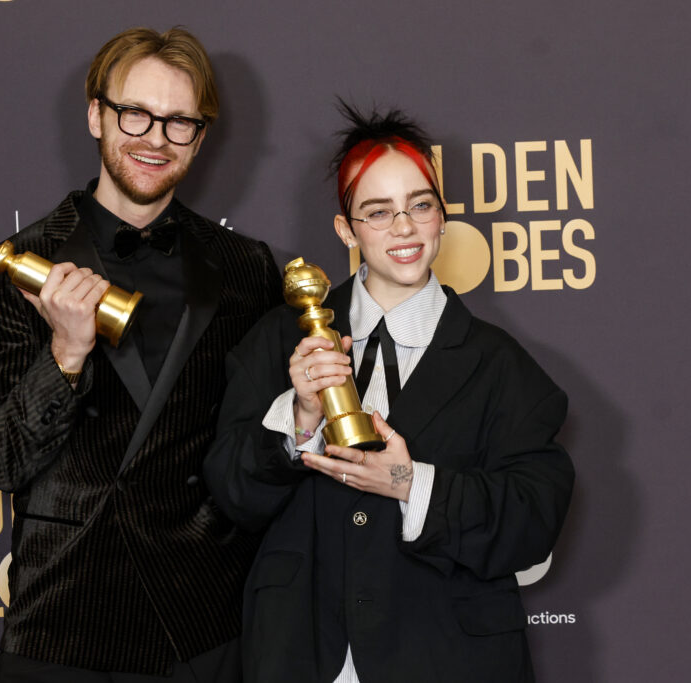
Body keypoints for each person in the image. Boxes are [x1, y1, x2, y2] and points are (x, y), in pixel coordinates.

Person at [203, 105, 574, 682]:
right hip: (300, 653)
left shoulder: (500, 364)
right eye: (378, 212)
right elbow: (231, 493)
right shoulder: (280, 338)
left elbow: (532, 519)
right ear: (346, 230)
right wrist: (300, 416)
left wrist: (408, 484)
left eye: (420, 205)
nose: (404, 228)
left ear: (442, 219)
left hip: (448, 656)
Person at [0, 27, 281, 681]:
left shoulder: (246, 269)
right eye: (135, 113)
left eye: (178, 122)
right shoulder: (17, 265)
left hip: (203, 623)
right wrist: (65, 354)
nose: (154, 138)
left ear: (201, 134)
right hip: (62, 621)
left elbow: (258, 444)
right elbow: (0, 458)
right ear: (95, 114)